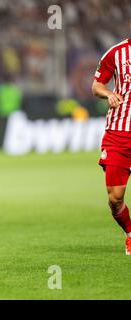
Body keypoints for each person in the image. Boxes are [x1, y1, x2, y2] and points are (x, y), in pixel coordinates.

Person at [92, 37, 131, 255]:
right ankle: (130, 234)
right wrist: (108, 93)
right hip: (118, 136)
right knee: (115, 199)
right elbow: (96, 85)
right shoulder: (116, 53)